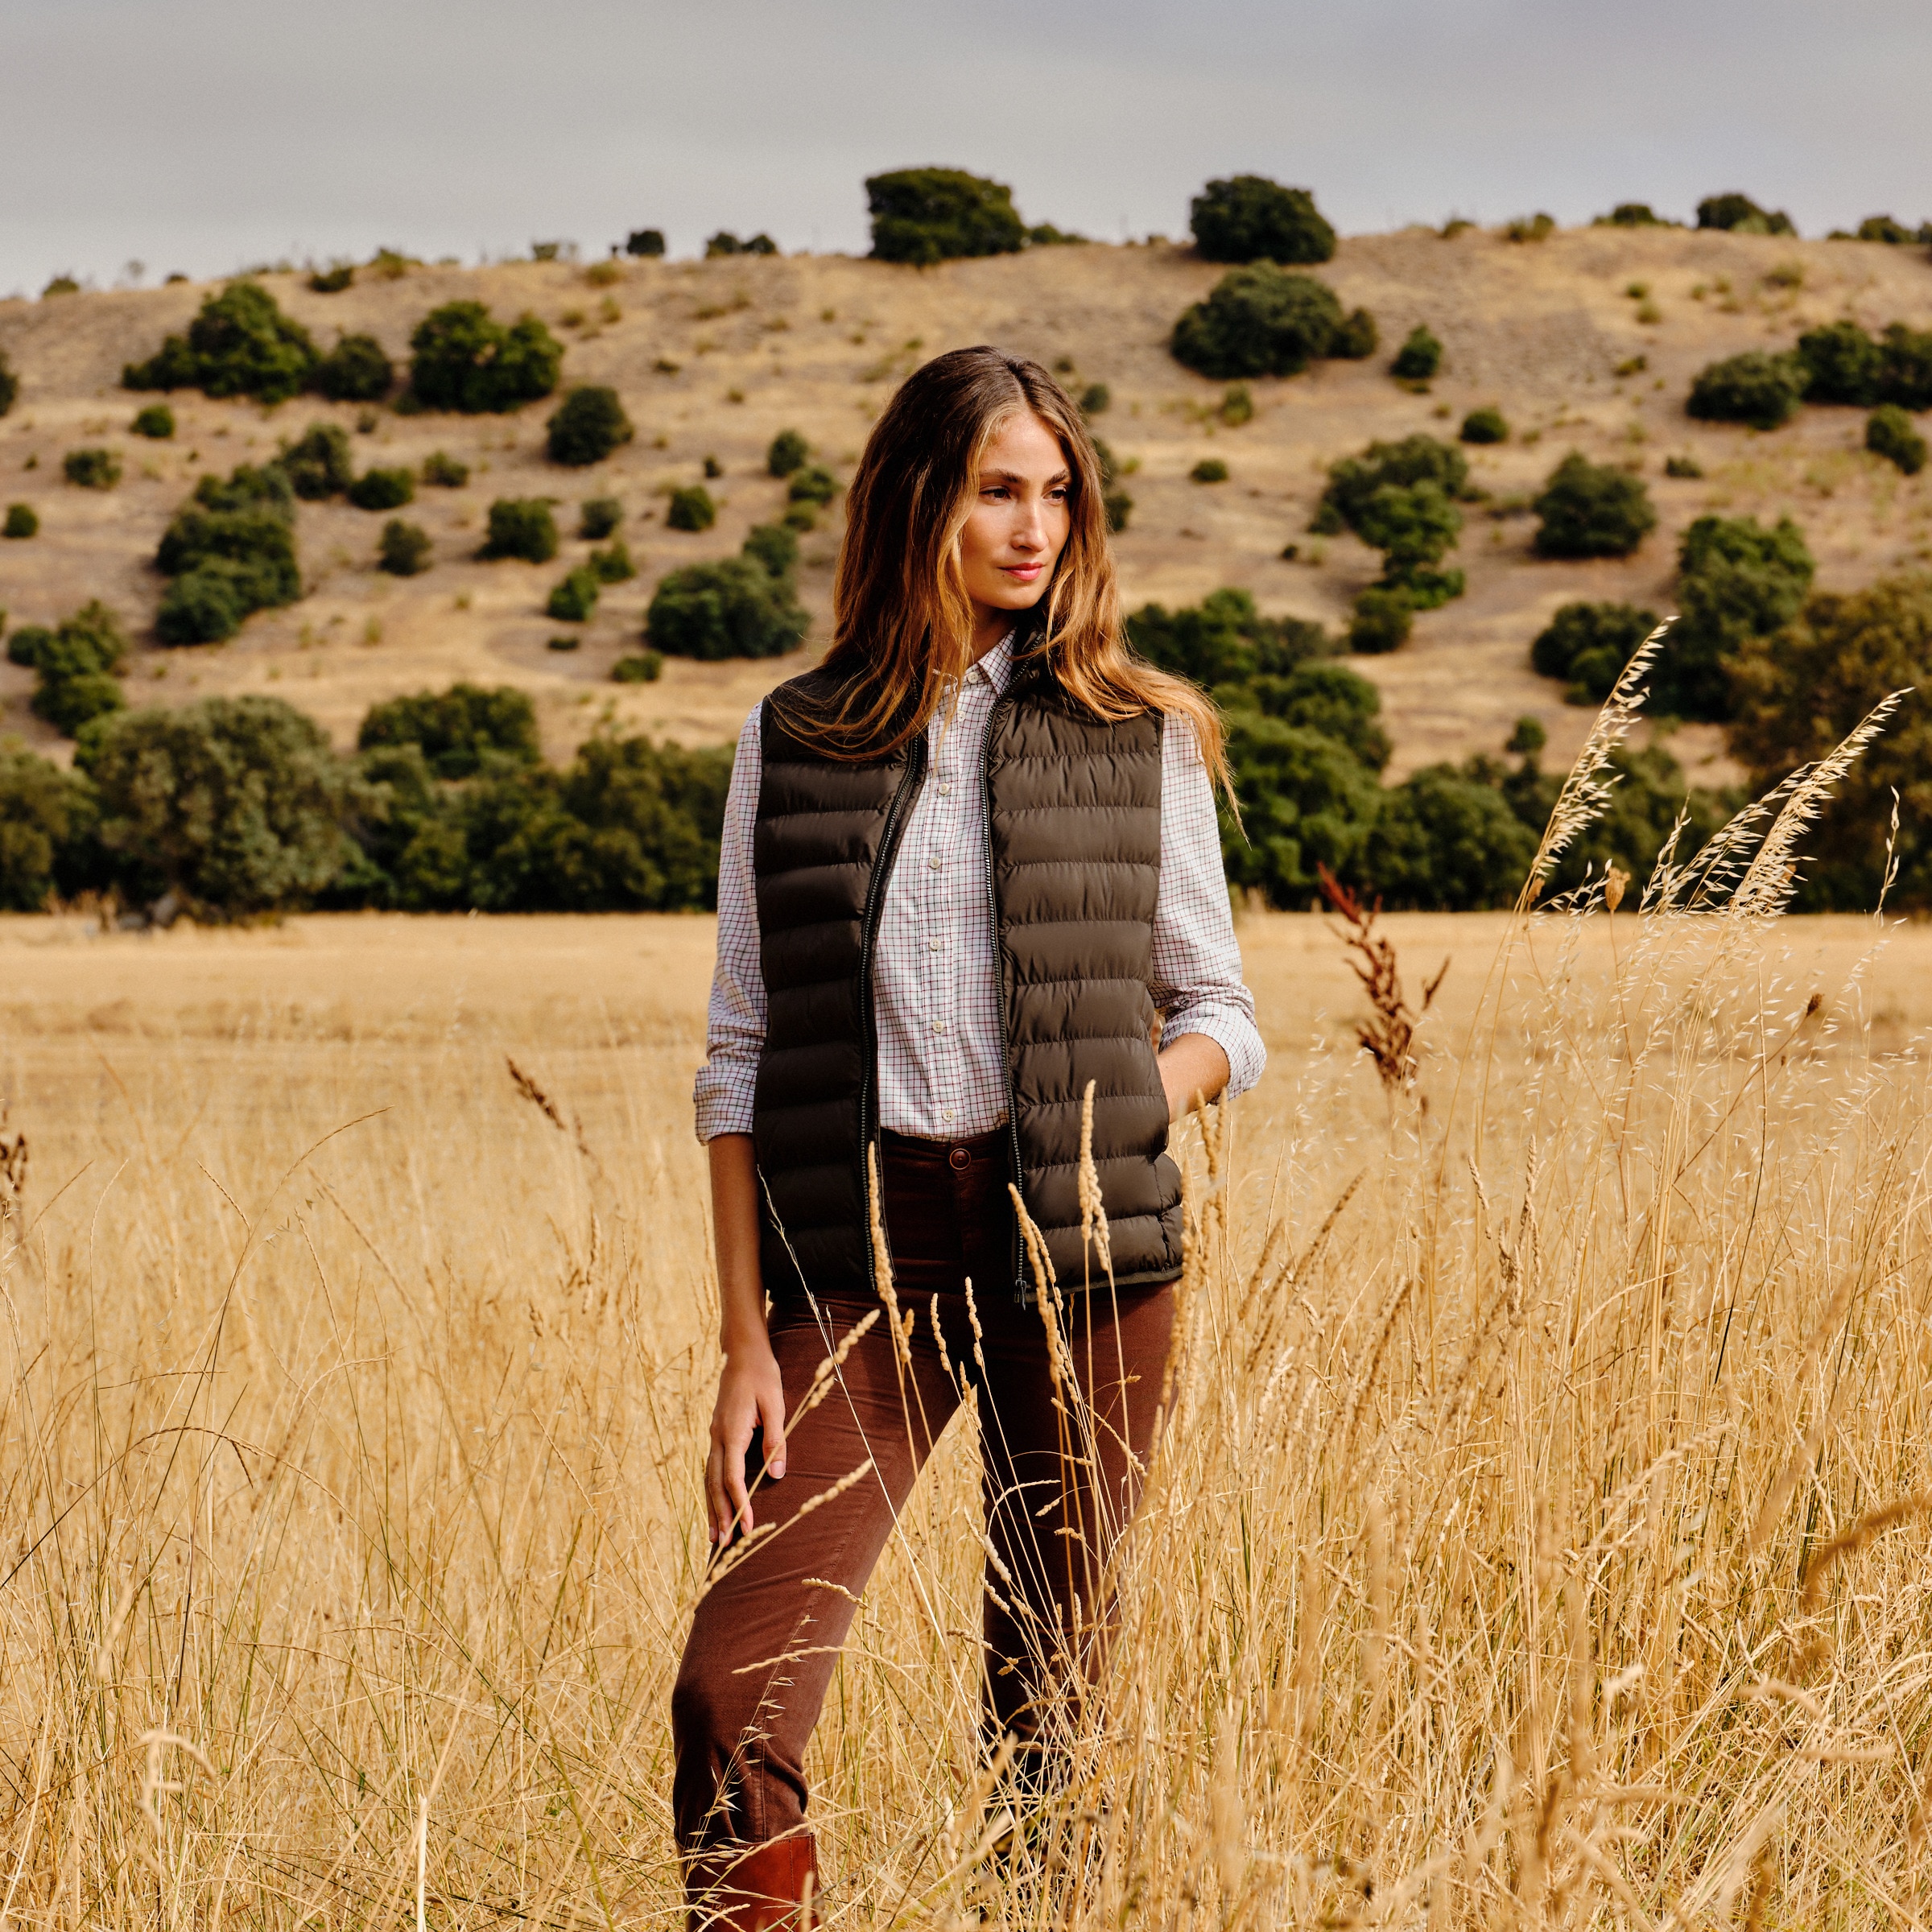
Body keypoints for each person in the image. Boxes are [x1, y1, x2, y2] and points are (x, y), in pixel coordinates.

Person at [673, 345, 1264, 1930]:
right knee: (731, 1695)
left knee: (1048, 1707)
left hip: (1084, 1261)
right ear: (918, 497)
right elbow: (740, 1053)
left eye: (1058, 495)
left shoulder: (1135, 731)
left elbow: (1223, 1011)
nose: (1034, 528)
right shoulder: (793, 737)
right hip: (860, 1260)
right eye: (999, 490)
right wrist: (744, 1339)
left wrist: (1124, 1108)